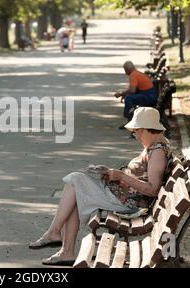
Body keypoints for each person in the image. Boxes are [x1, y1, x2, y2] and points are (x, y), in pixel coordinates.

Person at [28, 107, 172, 266]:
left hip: (129, 203)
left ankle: (55, 235)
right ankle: (65, 250)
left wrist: (121, 176)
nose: (135, 135)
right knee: (75, 186)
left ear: (147, 129)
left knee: (74, 180)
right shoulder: (154, 146)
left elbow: (152, 189)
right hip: (122, 195)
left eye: (136, 131)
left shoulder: (157, 152)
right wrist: (111, 174)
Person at [115, 61, 158, 128]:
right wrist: (125, 94)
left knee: (129, 98)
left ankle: (129, 120)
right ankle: (130, 120)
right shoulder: (137, 73)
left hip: (149, 97)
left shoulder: (133, 75)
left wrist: (121, 94)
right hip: (151, 95)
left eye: (125, 70)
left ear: (127, 69)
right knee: (128, 96)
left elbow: (132, 90)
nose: (125, 72)